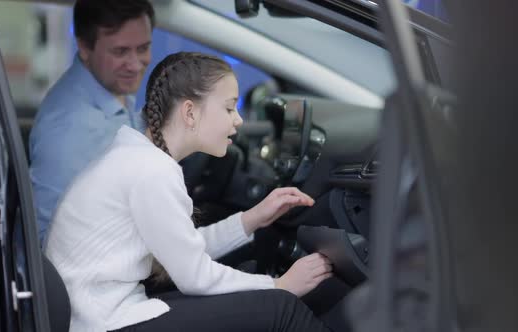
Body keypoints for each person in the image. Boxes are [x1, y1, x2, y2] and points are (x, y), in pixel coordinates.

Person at [44, 52, 340, 332]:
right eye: (228, 108)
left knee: (251, 281)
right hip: (104, 322)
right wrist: (279, 286)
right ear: (190, 113)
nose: (237, 119)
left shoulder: (138, 158)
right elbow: (195, 276)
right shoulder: (151, 171)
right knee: (281, 308)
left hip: (98, 314)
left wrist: (251, 219)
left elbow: (183, 250)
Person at [29, 0, 154, 244]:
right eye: (120, 51)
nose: (136, 64)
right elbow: (51, 244)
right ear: (85, 47)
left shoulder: (112, 85)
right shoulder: (69, 130)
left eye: (143, 48)